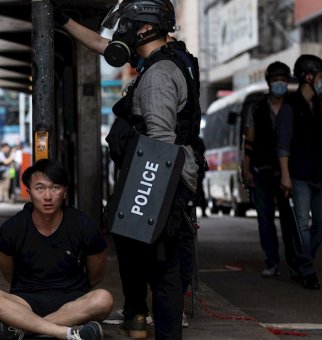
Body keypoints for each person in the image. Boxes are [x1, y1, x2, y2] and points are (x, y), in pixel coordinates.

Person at [57, 1, 201, 337]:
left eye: (128, 25)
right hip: (162, 176)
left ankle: (159, 326)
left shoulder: (159, 75)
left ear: (146, 27)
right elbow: (106, 47)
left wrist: (148, 201)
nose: (123, 31)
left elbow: (160, 141)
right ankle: (136, 315)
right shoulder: (169, 58)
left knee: (163, 268)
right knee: (138, 253)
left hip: (160, 179)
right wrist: (64, 21)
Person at [0, 159, 113, 340]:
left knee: (104, 299)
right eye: (39, 188)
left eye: (55, 188)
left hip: (72, 302)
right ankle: (65, 332)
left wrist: (23, 320)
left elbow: (96, 273)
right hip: (24, 301)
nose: (47, 196)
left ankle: (23, 327)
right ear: (29, 192)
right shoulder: (13, 228)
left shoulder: (83, 225)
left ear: (64, 192)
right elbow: (8, 272)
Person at [277, 54, 322, 290]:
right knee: (302, 225)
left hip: (320, 176)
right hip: (299, 176)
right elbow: (282, 145)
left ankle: (301, 260)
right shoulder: (290, 108)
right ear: (308, 77)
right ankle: (307, 271)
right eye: (321, 76)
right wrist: (286, 175)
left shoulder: (319, 107)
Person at [242, 61, 297, 277]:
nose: (280, 84)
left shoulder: (293, 107)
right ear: (269, 82)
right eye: (276, 80)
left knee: (289, 219)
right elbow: (249, 141)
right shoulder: (257, 108)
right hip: (261, 170)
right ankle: (272, 260)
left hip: (288, 173)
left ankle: (294, 262)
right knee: (265, 219)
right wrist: (247, 170)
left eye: (283, 80)